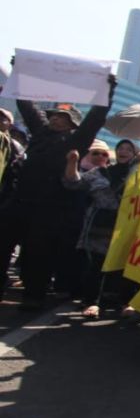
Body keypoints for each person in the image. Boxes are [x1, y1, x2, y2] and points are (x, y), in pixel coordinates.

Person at [1, 79, 116, 309]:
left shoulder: (78, 140)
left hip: (50, 208)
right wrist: (20, 75)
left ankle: (34, 295)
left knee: (38, 253)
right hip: (19, 201)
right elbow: (28, 108)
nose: (55, 119)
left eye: (62, 118)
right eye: (53, 116)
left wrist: (107, 91)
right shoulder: (40, 133)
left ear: (71, 124)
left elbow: (95, 118)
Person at [63, 139, 140, 318]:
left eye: (129, 149)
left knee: (123, 265)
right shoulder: (100, 172)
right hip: (101, 224)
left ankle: (123, 301)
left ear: (135, 153)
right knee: (97, 264)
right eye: (120, 148)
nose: (123, 151)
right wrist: (72, 162)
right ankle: (92, 302)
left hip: (128, 226)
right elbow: (73, 183)